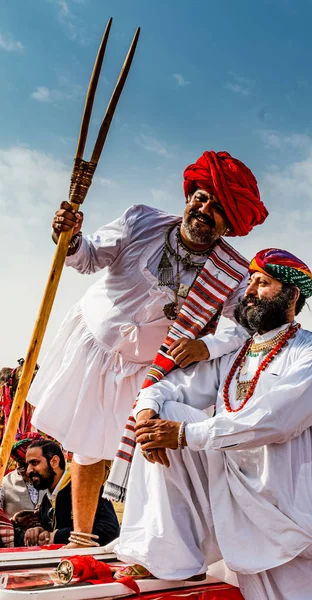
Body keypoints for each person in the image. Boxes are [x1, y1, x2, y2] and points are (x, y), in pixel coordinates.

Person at [27, 150, 267, 546]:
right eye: (201, 197)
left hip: (151, 371)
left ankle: (158, 545)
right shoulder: (141, 219)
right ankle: (82, 541)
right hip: (94, 349)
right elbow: (88, 257)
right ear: (191, 195)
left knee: (156, 456)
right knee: (87, 449)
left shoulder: (234, 272)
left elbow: (244, 325)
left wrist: (207, 346)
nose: (204, 208)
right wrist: (67, 239)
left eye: (219, 207)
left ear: (231, 224)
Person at [115, 248, 312, 600]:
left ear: (291, 295)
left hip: (287, 508)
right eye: (249, 282)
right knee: (169, 412)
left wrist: (184, 434)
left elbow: (274, 420)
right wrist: (147, 412)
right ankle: (170, 555)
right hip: (231, 497)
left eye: (263, 283)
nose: (249, 291)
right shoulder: (235, 355)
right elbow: (169, 387)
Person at [24, 440, 119, 547]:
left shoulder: (85, 489)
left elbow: (110, 531)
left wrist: (57, 536)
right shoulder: (47, 500)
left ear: (54, 461)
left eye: (34, 463)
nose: (28, 470)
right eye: (27, 464)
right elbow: (49, 533)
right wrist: (40, 532)